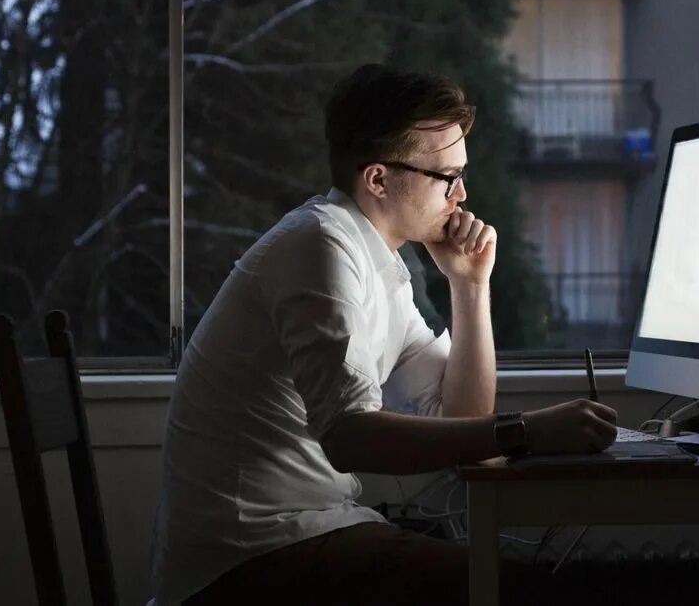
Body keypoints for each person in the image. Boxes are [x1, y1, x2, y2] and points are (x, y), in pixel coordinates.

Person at [151, 64, 618, 605]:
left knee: (508, 580)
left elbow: (463, 423)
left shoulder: (380, 264)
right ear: (378, 179)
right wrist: (527, 430)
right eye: (447, 177)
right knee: (520, 590)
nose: (461, 195)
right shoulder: (321, 246)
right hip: (245, 558)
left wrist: (468, 287)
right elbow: (350, 436)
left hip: (303, 534)